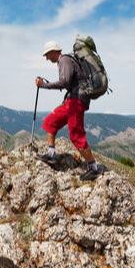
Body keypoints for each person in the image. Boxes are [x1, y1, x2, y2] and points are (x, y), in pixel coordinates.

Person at [36, 40, 101, 181]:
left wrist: (44, 85)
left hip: (77, 100)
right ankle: (51, 155)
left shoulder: (64, 60)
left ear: (53, 51)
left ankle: (94, 168)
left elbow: (64, 82)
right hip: (71, 99)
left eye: (47, 55)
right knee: (50, 121)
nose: (47, 58)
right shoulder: (64, 61)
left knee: (75, 135)